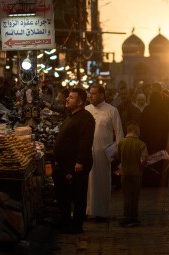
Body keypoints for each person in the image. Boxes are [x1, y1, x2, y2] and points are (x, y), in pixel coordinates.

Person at [52, 87, 95, 234]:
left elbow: (85, 141)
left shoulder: (86, 118)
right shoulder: (71, 116)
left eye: (71, 97)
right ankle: (65, 222)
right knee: (64, 195)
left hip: (75, 165)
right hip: (65, 164)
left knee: (78, 195)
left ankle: (76, 226)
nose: (67, 99)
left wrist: (80, 162)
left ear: (80, 102)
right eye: (68, 96)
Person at [85, 83, 123, 222]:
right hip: (87, 153)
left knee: (102, 182)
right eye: (90, 93)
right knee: (88, 183)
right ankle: (88, 211)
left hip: (103, 154)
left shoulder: (112, 111)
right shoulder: (86, 110)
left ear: (102, 95)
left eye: (94, 93)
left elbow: (119, 133)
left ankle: (102, 212)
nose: (90, 95)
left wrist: (117, 150)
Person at [113, 123, 148, 227]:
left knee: (126, 196)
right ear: (135, 130)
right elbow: (144, 159)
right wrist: (142, 165)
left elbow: (116, 156)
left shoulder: (121, 143)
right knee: (135, 195)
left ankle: (127, 216)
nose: (140, 132)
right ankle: (134, 216)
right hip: (136, 173)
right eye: (139, 130)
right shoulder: (141, 144)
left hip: (124, 173)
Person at [139, 90, 169, 187]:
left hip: (149, 141)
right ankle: (161, 181)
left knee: (150, 161)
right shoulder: (163, 110)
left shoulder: (147, 109)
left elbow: (143, 126)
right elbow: (167, 127)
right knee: (160, 161)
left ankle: (149, 181)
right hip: (161, 141)